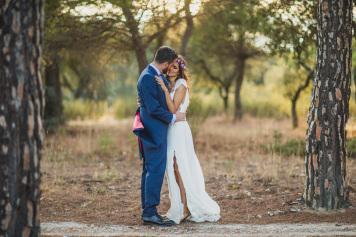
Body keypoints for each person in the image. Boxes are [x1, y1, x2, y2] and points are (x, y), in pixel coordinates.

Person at [155, 56, 220, 224]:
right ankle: (181, 205)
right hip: (171, 128)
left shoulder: (181, 85)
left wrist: (163, 89)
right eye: (170, 66)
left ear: (181, 70)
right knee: (174, 168)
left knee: (180, 166)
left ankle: (186, 207)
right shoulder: (170, 84)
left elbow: (173, 108)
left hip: (179, 130)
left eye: (175, 67)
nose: (170, 69)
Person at [133, 46, 186, 226]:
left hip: (153, 129)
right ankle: (150, 212)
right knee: (154, 169)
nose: (169, 68)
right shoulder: (148, 77)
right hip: (154, 130)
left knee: (150, 169)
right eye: (169, 65)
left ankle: (148, 210)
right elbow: (154, 108)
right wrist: (172, 117)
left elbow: (151, 101)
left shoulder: (151, 74)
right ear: (164, 63)